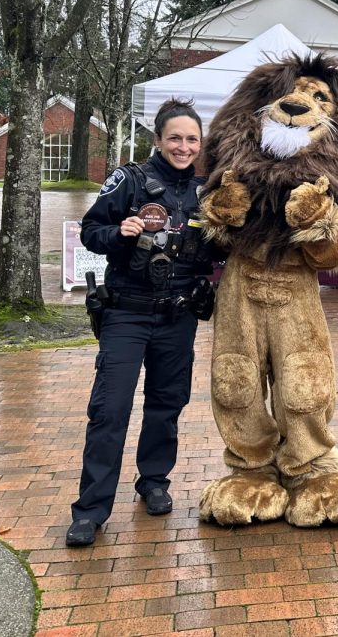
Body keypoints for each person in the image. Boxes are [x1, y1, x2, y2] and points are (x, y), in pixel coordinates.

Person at [66, 98, 216, 547]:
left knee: (167, 405)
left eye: (192, 139)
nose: (183, 146)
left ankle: (154, 481)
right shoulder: (129, 181)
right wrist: (121, 233)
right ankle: (90, 511)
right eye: (175, 138)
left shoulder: (207, 193)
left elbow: (218, 250)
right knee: (109, 410)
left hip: (179, 315)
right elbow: (91, 231)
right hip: (127, 314)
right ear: (158, 139)